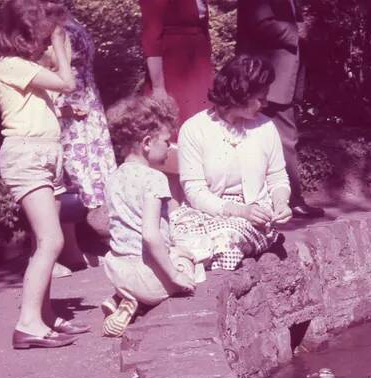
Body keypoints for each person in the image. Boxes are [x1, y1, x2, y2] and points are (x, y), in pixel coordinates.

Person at [0, 0, 89, 349]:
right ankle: (27, 324)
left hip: (46, 155)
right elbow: (67, 81)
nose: (49, 44)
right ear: (25, 35)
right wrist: (61, 46)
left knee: (41, 242)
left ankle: (44, 316)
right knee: (53, 241)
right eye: (44, 37)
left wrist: (64, 112)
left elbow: (40, 106)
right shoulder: (11, 65)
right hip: (27, 156)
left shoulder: (25, 70)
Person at [173, 54, 290, 271]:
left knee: (225, 241)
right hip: (205, 210)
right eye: (260, 97)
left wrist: (281, 203)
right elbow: (195, 191)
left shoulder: (265, 127)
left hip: (253, 216)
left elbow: (277, 177)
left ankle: (183, 271)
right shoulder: (194, 129)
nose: (265, 103)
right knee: (176, 238)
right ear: (240, 94)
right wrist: (235, 210)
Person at [100, 95, 197, 337]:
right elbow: (151, 236)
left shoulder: (115, 177)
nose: (170, 146)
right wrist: (176, 276)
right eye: (166, 141)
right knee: (186, 258)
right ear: (146, 142)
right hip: (148, 278)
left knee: (159, 257)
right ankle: (142, 300)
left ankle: (122, 299)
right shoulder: (154, 179)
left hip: (118, 271)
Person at [236, 0, 324, 218]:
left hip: (281, 78)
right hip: (266, 77)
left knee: (275, 139)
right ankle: (290, 200)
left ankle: (278, 200)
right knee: (284, 139)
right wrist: (297, 30)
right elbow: (260, 26)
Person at [51, 0, 117, 270]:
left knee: (90, 176)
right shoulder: (47, 27)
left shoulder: (70, 20)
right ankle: (69, 249)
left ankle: (86, 245)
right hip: (68, 109)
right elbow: (51, 70)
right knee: (71, 177)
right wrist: (61, 109)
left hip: (87, 106)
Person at [139, 0, 214, 127]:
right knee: (177, 118)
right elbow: (151, 37)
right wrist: (158, 87)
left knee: (205, 116)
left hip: (199, 63)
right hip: (172, 65)